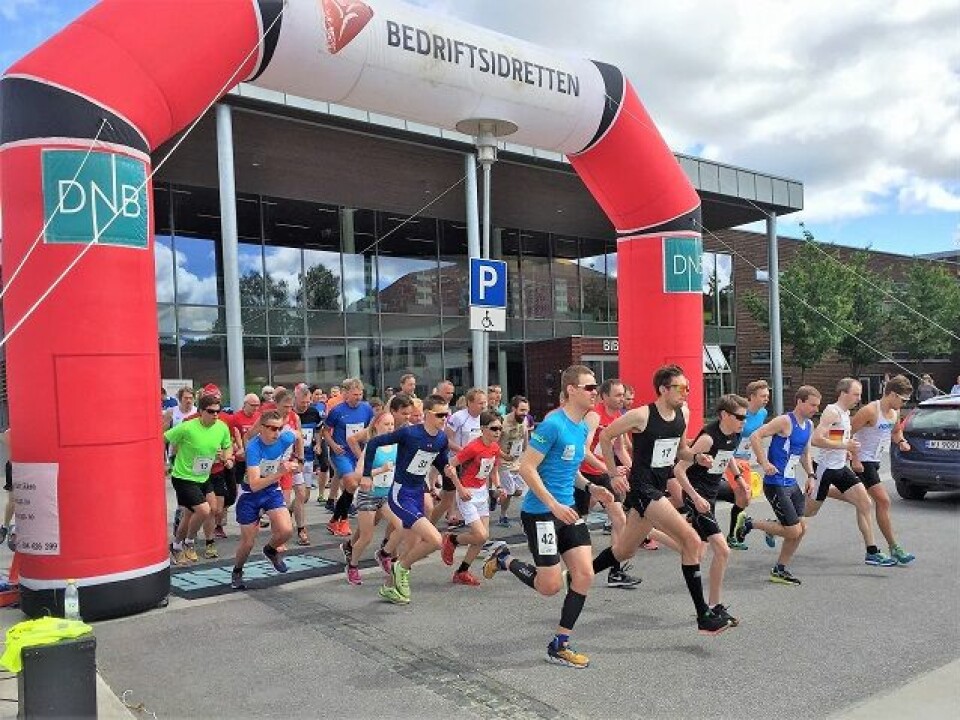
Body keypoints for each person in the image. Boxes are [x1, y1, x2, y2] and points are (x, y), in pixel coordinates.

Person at [483, 365, 615, 668]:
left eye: (595, 387)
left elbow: (570, 470)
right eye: (590, 387)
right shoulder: (552, 425)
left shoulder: (581, 427)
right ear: (571, 389)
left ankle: (560, 644)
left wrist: (592, 486)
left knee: (584, 575)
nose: (595, 392)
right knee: (549, 587)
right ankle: (504, 559)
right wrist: (553, 505)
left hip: (567, 510)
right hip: (541, 513)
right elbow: (527, 469)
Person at [590, 364, 730, 635]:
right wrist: (612, 473)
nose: (686, 393)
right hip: (643, 490)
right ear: (664, 389)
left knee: (624, 551)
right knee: (690, 540)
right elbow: (606, 436)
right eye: (681, 388)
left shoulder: (681, 415)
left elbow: (681, 451)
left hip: (658, 487)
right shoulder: (641, 415)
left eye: (688, 388)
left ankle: (578, 574)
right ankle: (704, 615)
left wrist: (697, 458)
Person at [361, 394, 452, 605]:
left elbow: (440, 462)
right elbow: (374, 443)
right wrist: (366, 474)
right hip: (401, 494)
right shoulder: (409, 433)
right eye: (440, 415)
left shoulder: (441, 438)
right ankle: (399, 568)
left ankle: (390, 587)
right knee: (435, 540)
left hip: (418, 493)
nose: (444, 418)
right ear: (428, 415)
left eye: (447, 414)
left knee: (412, 547)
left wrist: (450, 475)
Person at [668, 394, 749, 625]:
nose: (743, 421)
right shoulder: (708, 439)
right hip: (697, 494)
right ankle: (714, 606)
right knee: (722, 550)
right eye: (739, 417)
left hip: (711, 492)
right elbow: (679, 470)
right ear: (724, 415)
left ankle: (649, 532)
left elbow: (728, 454)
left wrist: (739, 478)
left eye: (745, 417)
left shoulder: (734, 434)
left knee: (698, 551)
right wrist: (694, 497)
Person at [805, 378, 897, 567]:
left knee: (865, 503)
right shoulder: (832, 411)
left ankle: (872, 552)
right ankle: (777, 524)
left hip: (840, 468)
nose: (859, 398)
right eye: (856, 394)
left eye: (860, 394)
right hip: (825, 469)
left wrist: (846, 450)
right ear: (843, 393)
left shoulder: (846, 413)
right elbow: (815, 440)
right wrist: (844, 445)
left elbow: (836, 438)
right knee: (808, 511)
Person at [735, 386, 821, 585]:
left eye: (818, 405)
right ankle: (750, 523)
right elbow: (756, 436)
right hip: (775, 483)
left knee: (802, 528)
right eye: (812, 404)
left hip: (792, 483)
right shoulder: (784, 421)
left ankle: (779, 569)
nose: (816, 409)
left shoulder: (808, 425)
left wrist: (810, 475)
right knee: (792, 531)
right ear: (799, 402)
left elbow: (805, 454)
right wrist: (764, 463)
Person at [575, 379, 640, 588]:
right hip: (582, 474)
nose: (622, 399)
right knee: (575, 523)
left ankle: (615, 571)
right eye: (618, 395)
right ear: (604, 397)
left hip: (603, 473)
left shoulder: (620, 417)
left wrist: (635, 472)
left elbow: (620, 449)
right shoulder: (595, 415)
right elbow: (583, 451)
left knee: (619, 518)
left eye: (623, 395)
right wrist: (609, 470)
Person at [344, 393, 415, 582]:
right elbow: (358, 476)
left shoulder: (396, 446)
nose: (390, 428)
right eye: (386, 425)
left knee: (401, 527)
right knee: (366, 537)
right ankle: (352, 564)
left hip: (386, 496)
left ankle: (384, 553)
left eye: (392, 425)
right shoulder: (371, 447)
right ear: (376, 426)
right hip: (368, 495)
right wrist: (379, 470)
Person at [847, 375, 916, 564]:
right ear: (892, 394)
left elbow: (895, 431)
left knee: (855, 499)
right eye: (902, 399)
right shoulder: (870, 410)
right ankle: (894, 547)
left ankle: (824, 489)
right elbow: (848, 433)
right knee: (883, 501)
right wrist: (854, 459)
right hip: (864, 462)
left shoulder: (895, 411)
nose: (903, 403)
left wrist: (901, 441)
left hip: (875, 461)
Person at [230, 410, 298, 589]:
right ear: (261, 428)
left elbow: (297, 434)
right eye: (273, 429)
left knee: (286, 530)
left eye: (279, 428)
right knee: (248, 543)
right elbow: (254, 485)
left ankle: (270, 550)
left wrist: (298, 458)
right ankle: (237, 570)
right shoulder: (253, 448)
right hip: (250, 495)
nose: (277, 433)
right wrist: (280, 473)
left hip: (270, 491)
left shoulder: (284, 438)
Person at [164, 394, 234, 564]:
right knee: (203, 510)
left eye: (218, 411)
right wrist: (164, 462)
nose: (215, 415)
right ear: (201, 411)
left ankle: (177, 546)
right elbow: (164, 438)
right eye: (211, 412)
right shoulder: (187, 427)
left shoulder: (221, 427)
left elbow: (228, 446)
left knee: (198, 513)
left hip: (203, 477)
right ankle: (188, 542)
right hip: (183, 477)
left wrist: (226, 457)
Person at [442, 410, 506, 586]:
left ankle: (462, 571)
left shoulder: (494, 447)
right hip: (467, 493)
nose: (498, 432)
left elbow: (493, 470)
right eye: (494, 428)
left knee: (482, 538)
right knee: (480, 534)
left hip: (482, 493)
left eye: (500, 428)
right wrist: (460, 488)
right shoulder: (473, 447)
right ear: (483, 429)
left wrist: (498, 486)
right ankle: (452, 539)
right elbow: (450, 467)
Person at [324, 378, 374, 536]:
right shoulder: (337, 410)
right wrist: (333, 445)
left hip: (358, 452)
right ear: (346, 394)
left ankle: (334, 520)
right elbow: (325, 431)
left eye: (360, 394)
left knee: (350, 487)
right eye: (355, 394)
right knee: (352, 484)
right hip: (342, 453)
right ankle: (343, 519)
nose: (358, 397)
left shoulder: (366, 409)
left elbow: (369, 429)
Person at [432, 387, 487, 528]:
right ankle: (429, 525)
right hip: (456, 462)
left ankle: (473, 527)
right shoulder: (458, 417)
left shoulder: (485, 418)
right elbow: (446, 439)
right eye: (480, 403)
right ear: (470, 403)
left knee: (472, 494)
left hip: (475, 464)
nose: (484, 406)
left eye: (485, 403)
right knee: (447, 500)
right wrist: (464, 451)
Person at [724, 379, 769, 549]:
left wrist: (760, 457)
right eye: (762, 396)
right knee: (743, 495)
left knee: (745, 499)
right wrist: (733, 458)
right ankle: (734, 535)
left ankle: (736, 531)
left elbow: (756, 437)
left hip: (745, 459)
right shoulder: (741, 413)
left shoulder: (763, 413)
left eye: (767, 395)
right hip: (732, 459)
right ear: (751, 397)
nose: (766, 399)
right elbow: (730, 436)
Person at [293, 383, 323, 546]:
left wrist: (317, 444)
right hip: (290, 460)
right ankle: (301, 530)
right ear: (295, 399)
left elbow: (318, 430)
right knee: (299, 494)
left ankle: (291, 510)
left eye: (308, 402)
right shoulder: (289, 414)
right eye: (302, 402)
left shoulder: (313, 412)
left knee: (304, 496)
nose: (305, 406)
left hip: (307, 457)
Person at [496, 395, 530, 527]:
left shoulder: (524, 421)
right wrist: (503, 455)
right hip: (503, 462)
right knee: (509, 491)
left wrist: (526, 455)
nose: (524, 413)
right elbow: (494, 445)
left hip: (516, 462)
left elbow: (525, 439)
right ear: (513, 409)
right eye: (521, 410)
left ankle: (495, 495)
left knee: (519, 491)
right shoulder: (502, 423)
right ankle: (503, 516)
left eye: (526, 410)